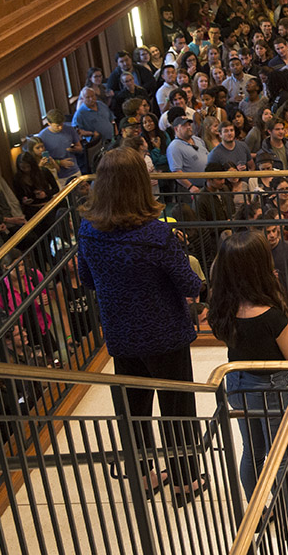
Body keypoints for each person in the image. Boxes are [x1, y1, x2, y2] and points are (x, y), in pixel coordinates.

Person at [75, 148, 204, 503]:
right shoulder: (157, 234)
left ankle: (144, 477)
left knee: (133, 411)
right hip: (165, 334)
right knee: (177, 410)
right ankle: (184, 482)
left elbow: (86, 279)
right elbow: (190, 285)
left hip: (120, 333)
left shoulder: (88, 230)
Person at [205, 232, 288, 500]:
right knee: (280, 454)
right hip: (271, 388)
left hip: (237, 382)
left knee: (252, 450)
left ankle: (256, 510)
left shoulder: (222, 310)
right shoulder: (272, 316)